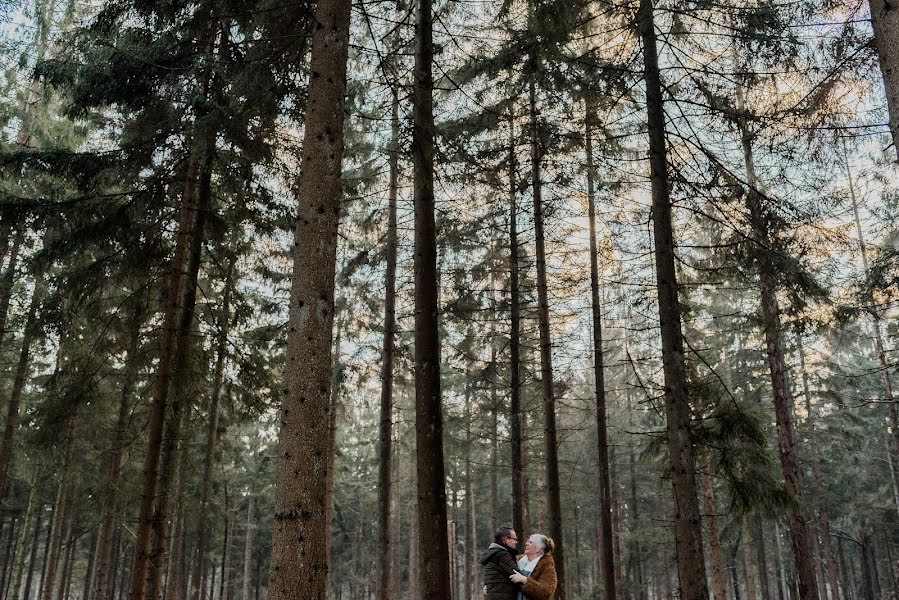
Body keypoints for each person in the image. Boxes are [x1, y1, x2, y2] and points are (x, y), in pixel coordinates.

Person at [509, 533, 557, 600]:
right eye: (527, 541)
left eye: (530, 542)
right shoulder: (517, 560)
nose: (526, 543)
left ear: (537, 549)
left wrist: (524, 580)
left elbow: (546, 593)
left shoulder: (547, 567)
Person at [481, 526, 521, 600]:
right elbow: (517, 574)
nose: (516, 542)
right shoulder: (502, 554)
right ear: (506, 539)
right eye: (514, 539)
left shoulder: (494, 553)